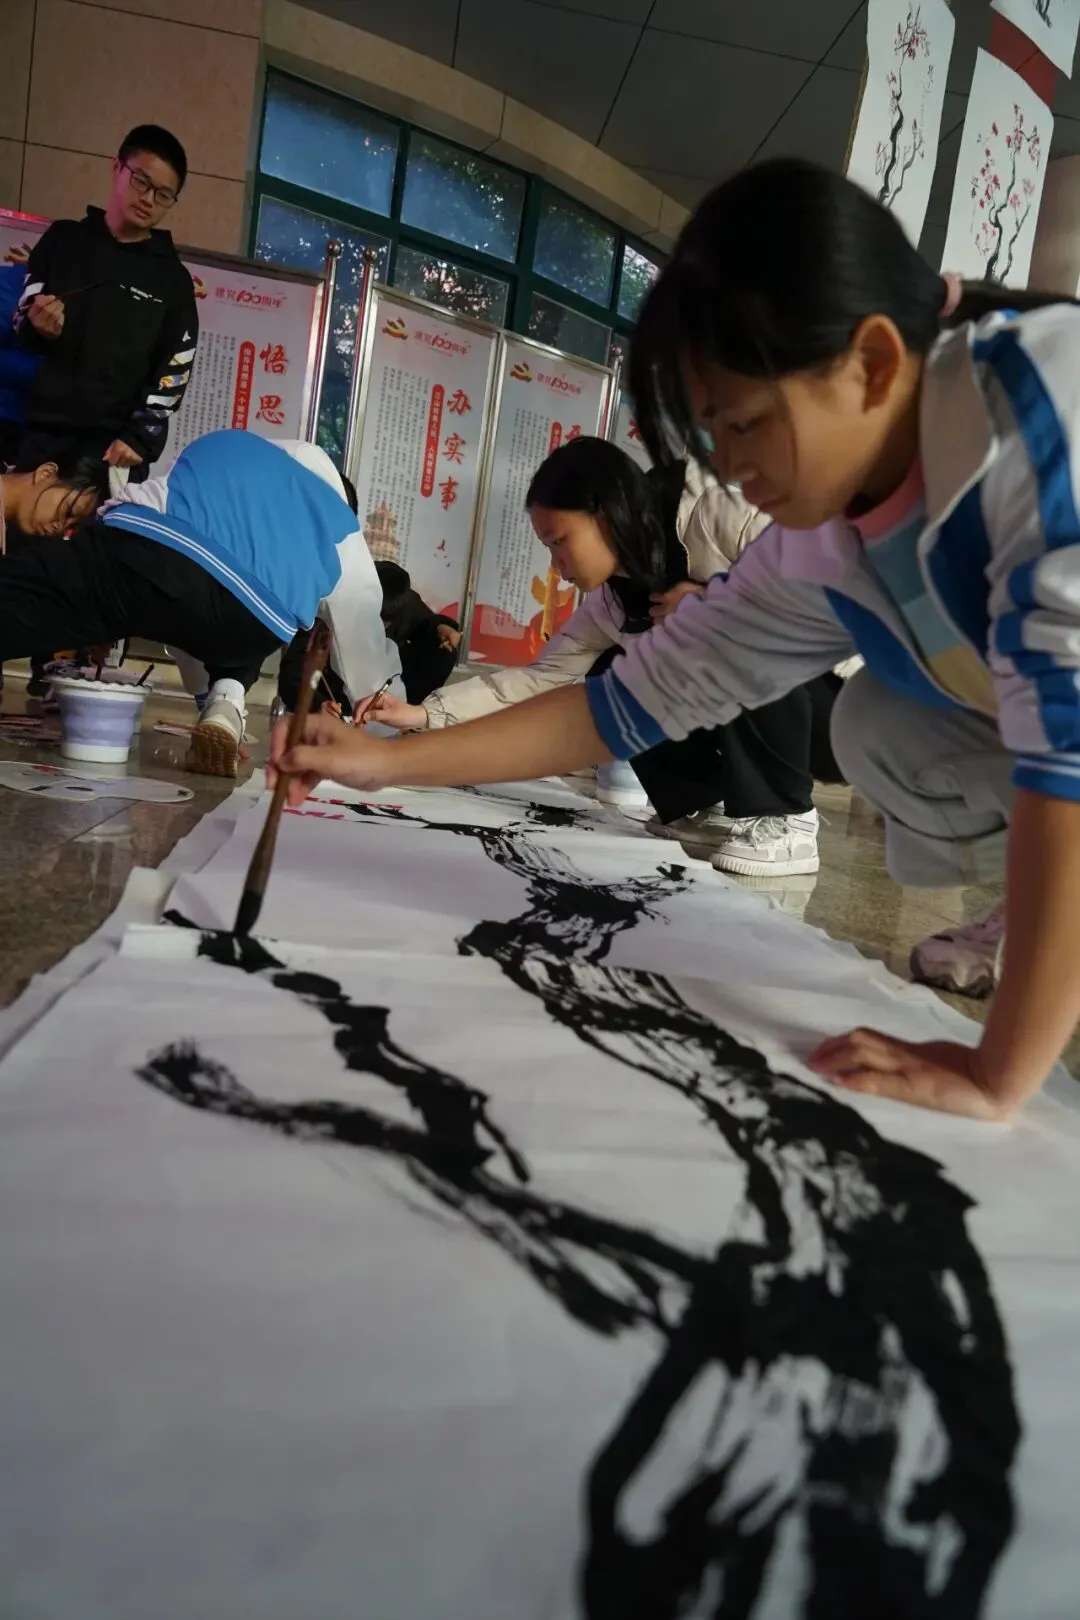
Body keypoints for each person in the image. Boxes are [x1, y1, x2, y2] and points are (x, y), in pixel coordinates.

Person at [270, 155, 1080, 1123]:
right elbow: (625, 703)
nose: (733, 469)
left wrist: (996, 1073)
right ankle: (1041, 919)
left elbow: (1069, 759)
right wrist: (381, 764)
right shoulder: (820, 534)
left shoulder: (1040, 426)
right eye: (711, 436)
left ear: (870, 363)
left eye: (748, 424)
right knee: (879, 725)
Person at [354, 436, 839, 868]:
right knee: (614, 666)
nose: (557, 566)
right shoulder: (613, 599)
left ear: (606, 514)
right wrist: (422, 714)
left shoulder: (712, 511)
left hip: (837, 701)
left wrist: (714, 601)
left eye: (560, 542)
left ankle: (789, 817)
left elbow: (825, 589)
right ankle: (707, 804)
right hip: (771, 699)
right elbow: (537, 678)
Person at [0, 428, 400, 776]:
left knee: (31, 595)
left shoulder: (240, 448)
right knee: (242, 607)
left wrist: (196, 690)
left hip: (147, 559)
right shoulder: (338, 520)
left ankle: (218, 700)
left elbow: (178, 584)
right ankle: (226, 706)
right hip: (248, 628)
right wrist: (381, 726)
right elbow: (360, 616)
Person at [12, 124, 198, 481]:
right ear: (117, 168)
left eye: (163, 194)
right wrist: (36, 324)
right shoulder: (64, 239)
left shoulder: (173, 280)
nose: (148, 199)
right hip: (40, 432)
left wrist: (140, 436)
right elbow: (22, 317)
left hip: (113, 451)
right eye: (141, 181)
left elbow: (176, 366)